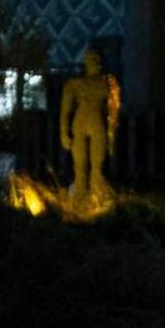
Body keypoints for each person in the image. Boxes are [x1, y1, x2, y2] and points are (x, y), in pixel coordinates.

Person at [55, 47, 121, 218]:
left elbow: (114, 110)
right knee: (80, 164)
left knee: (97, 163)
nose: (92, 60)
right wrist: (64, 132)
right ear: (84, 61)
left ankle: (97, 196)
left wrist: (111, 135)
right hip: (80, 122)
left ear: (100, 61)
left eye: (95, 57)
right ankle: (79, 198)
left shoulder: (108, 82)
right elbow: (65, 110)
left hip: (97, 121)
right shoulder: (74, 83)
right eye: (89, 57)